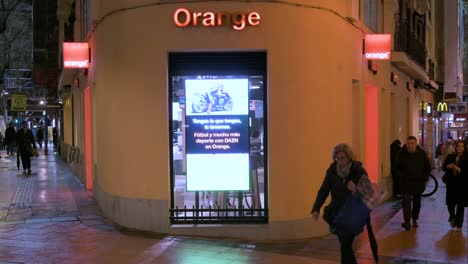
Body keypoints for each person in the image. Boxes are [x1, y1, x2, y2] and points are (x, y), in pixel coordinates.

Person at [311, 143, 377, 264]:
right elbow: (324, 190)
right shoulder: (332, 171)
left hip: (353, 214)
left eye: (343, 158)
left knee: (345, 245)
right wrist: (316, 208)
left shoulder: (358, 171)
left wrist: (356, 189)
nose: (340, 161)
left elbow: (370, 193)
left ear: (349, 157)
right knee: (345, 245)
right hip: (337, 214)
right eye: (337, 158)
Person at [395, 136, 430, 230]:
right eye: (408, 143)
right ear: (406, 144)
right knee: (406, 201)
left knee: (417, 202)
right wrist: (401, 178)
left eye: (412, 143)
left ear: (416, 144)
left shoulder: (421, 154)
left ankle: (414, 219)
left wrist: (424, 178)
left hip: (418, 182)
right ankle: (407, 222)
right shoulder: (401, 154)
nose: (410, 146)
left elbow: (427, 167)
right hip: (406, 182)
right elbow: (396, 168)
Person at [442, 140, 468, 232]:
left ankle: (459, 225)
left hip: (462, 185)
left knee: (460, 206)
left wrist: (457, 168)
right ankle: (452, 217)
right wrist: (448, 167)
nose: (459, 148)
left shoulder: (466, 158)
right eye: (458, 146)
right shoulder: (450, 156)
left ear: (464, 148)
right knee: (450, 204)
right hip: (451, 184)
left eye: (461, 146)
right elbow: (443, 167)